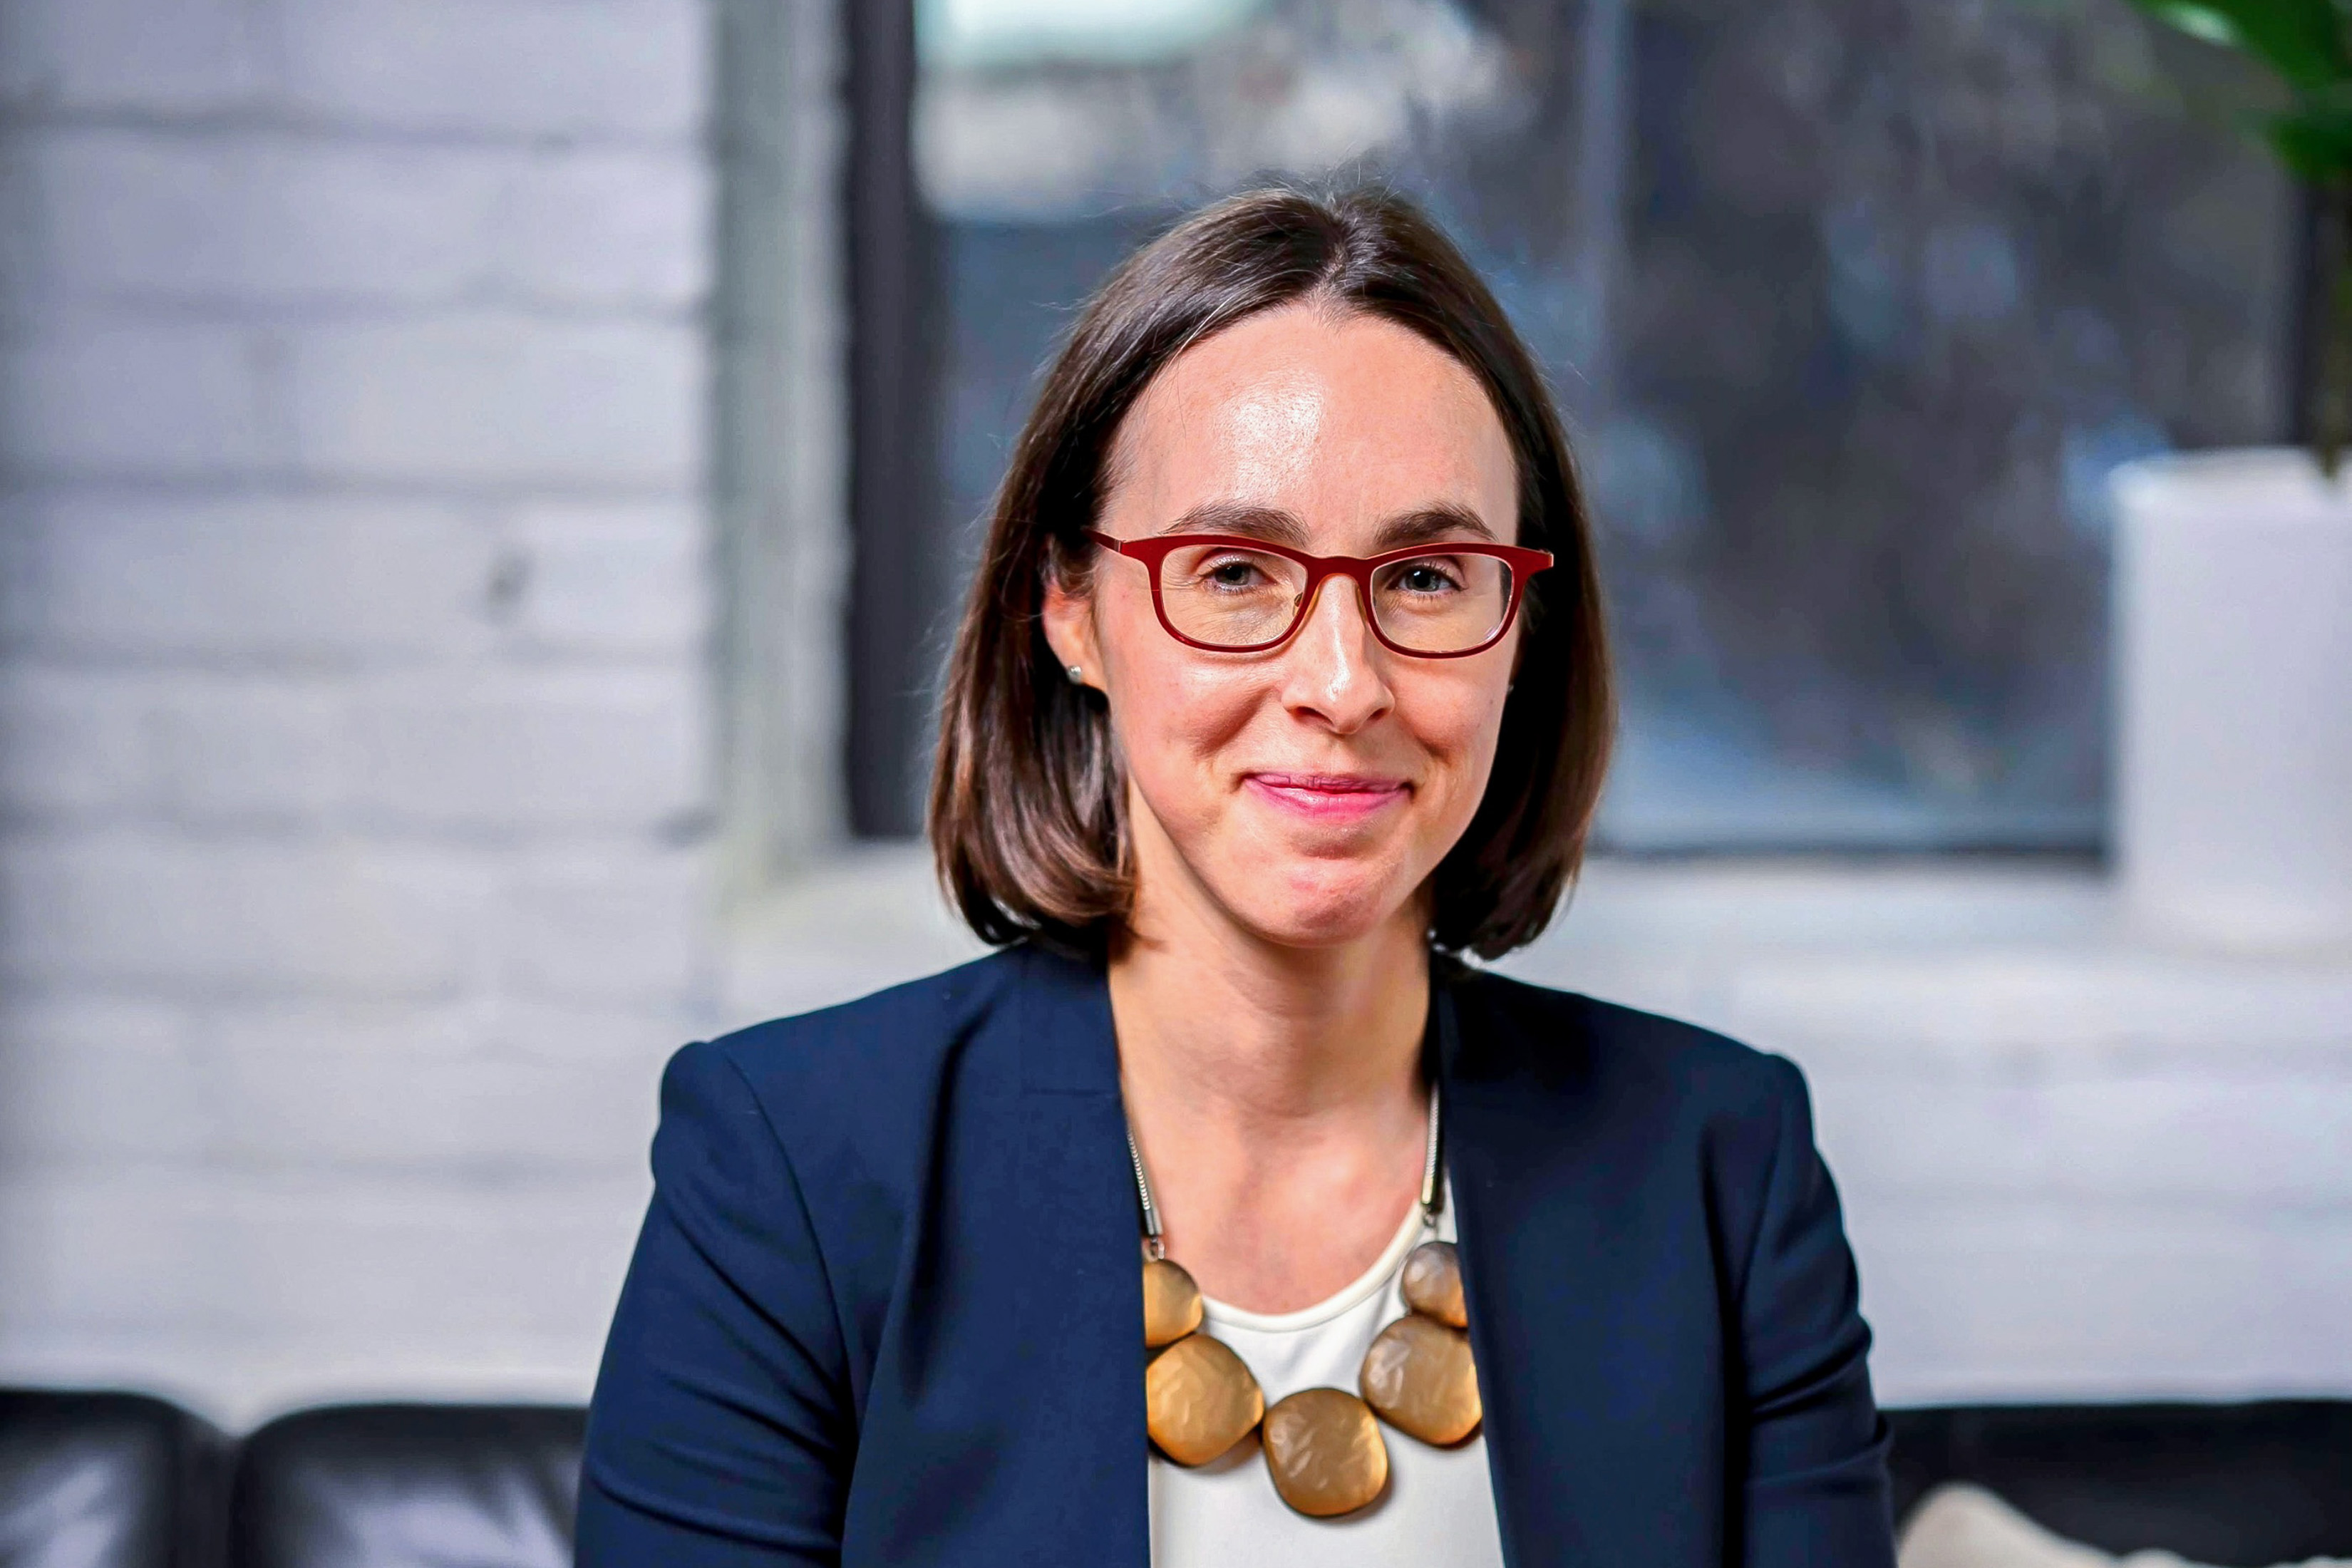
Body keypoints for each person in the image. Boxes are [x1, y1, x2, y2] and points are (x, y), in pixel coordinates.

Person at [574, 185, 1894, 1567]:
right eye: (1234, 570)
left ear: (1525, 631)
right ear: (1069, 609)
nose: (1341, 681)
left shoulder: (1720, 1164)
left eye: (1432, 576)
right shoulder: (791, 1166)